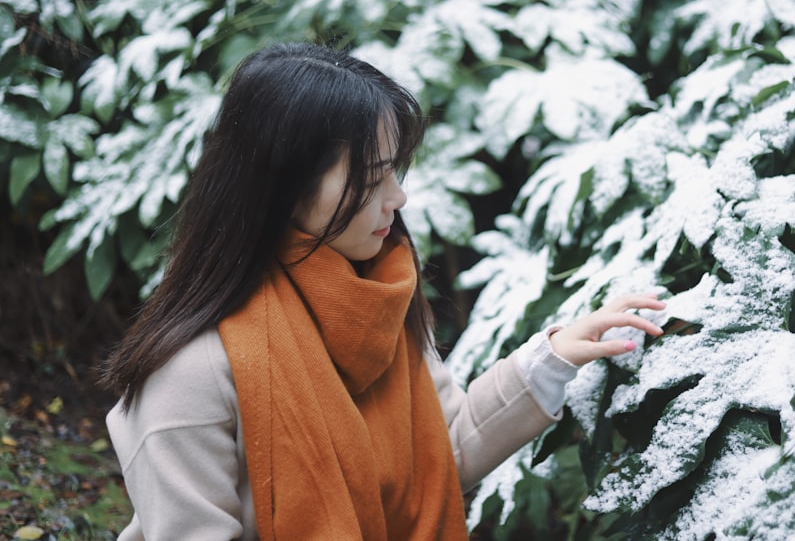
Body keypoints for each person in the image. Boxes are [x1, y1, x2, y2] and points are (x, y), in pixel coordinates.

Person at [102, 42, 665, 540]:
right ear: (284, 187)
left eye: (396, 171)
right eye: (373, 177)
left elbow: (442, 455)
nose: (398, 198)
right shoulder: (192, 369)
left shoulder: (377, 299)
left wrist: (554, 356)